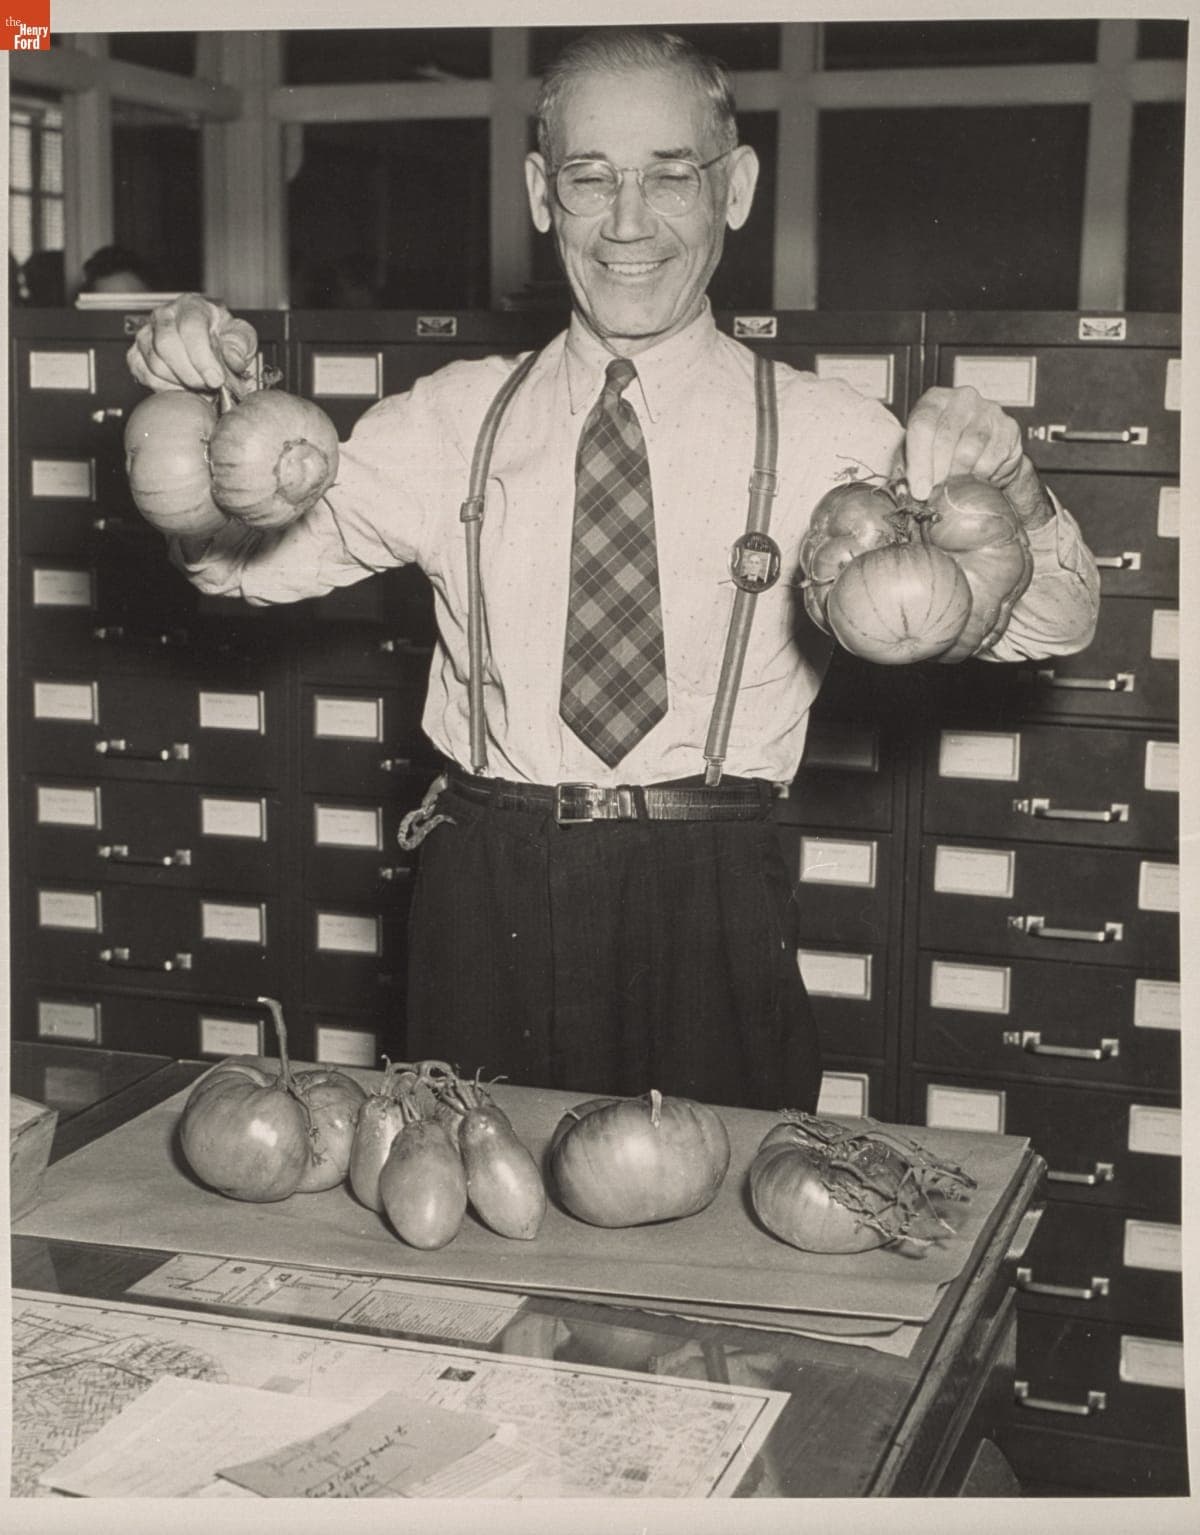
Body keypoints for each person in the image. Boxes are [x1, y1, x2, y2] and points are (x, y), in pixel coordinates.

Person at [126, 28, 1100, 1113]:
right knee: (475, 1228)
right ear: (543, 195)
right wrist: (196, 422)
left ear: (735, 188)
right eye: (591, 180)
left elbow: (1047, 625)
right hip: (486, 874)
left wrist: (1010, 484)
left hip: (713, 886)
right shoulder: (452, 417)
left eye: (670, 178)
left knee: (713, 1248)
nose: (628, 224)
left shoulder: (836, 433)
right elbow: (237, 568)